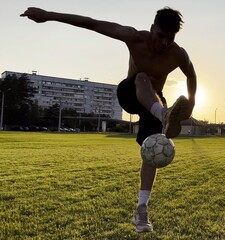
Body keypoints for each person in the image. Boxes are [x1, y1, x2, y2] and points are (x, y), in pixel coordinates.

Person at [21, 7, 197, 233]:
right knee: (143, 78)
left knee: (152, 149)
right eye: (160, 35)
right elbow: (92, 23)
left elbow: (191, 74)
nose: (163, 43)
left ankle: (141, 210)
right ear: (152, 28)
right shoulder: (134, 37)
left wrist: (191, 103)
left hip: (153, 101)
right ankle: (163, 114)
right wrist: (49, 15)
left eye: (169, 39)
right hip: (130, 92)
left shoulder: (178, 54)